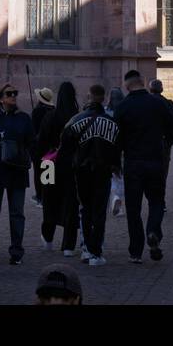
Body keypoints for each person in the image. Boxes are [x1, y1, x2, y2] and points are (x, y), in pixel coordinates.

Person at [115, 69, 173, 264]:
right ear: (143, 82)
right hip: (155, 160)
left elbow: (116, 138)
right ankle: (153, 232)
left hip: (133, 162)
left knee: (133, 208)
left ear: (127, 85)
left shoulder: (123, 106)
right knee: (157, 201)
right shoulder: (159, 102)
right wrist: (166, 143)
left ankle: (136, 251)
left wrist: (116, 161)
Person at [62, 84, 121, 265]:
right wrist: (116, 167)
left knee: (85, 210)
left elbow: (65, 148)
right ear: (103, 98)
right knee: (99, 211)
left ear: (89, 97)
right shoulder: (112, 123)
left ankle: (87, 249)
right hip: (103, 171)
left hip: (81, 171)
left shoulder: (75, 120)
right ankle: (96, 252)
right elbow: (117, 149)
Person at [0, 83, 36, 265]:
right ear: (1, 98)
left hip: (17, 172)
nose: (13, 96)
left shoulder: (23, 119)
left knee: (17, 213)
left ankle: (16, 252)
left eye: (15, 93)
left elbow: (32, 143)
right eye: (9, 94)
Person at [37, 81, 80, 255]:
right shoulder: (78, 116)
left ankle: (48, 238)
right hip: (71, 164)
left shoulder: (50, 116)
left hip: (49, 164)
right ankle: (68, 245)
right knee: (71, 203)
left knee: (49, 201)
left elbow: (41, 143)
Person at [149, 79, 173, 194]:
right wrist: (168, 142)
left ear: (150, 89)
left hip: (148, 144)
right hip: (163, 143)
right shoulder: (168, 103)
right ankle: (160, 198)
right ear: (161, 89)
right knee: (162, 172)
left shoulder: (146, 103)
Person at [30, 87, 54, 204]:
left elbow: (33, 129)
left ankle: (40, 195)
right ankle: (48, 195)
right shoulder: (53, 111)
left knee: (38, 172)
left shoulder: (37, 111)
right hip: (50, 146)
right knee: (48, 171)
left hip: (38, 146)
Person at [106, 87, 125, 217]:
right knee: (121, 176)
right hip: (123, 147)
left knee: (111, 176)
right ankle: (118, 197)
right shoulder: (126, 111)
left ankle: (113, 197)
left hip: (108, 147)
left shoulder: (106, 112)